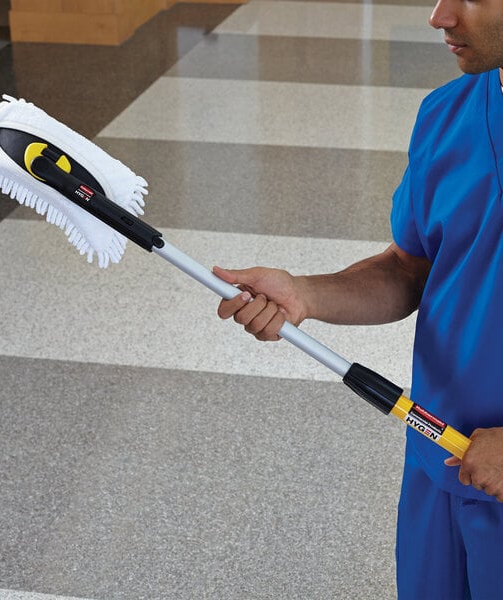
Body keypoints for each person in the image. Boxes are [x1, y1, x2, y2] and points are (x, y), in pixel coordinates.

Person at [214, 1, 503, 598]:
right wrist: (305, 295)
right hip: (442, 458)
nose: (440, 16)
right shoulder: (448, 114)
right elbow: (409, 269)